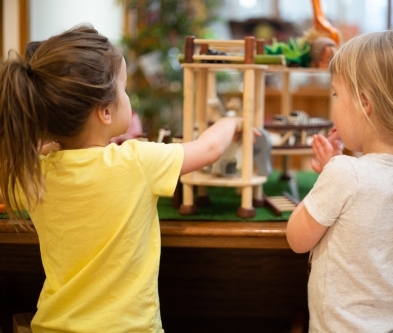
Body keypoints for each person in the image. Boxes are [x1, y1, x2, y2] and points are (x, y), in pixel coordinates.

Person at [0, 25, 244, 333]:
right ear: (104, 111)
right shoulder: (136, 161)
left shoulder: (33, 174)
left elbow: (17, 160)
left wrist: (48, 141)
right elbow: (209, 148)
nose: (128, 97)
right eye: (124, 88)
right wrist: (232, 120)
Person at [286, 30, 393, 332]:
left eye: (336, 93)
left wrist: (329, 173)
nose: (332, 102)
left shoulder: (345, 173)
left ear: (364, 103)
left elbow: (297, 240)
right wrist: (333, 170)